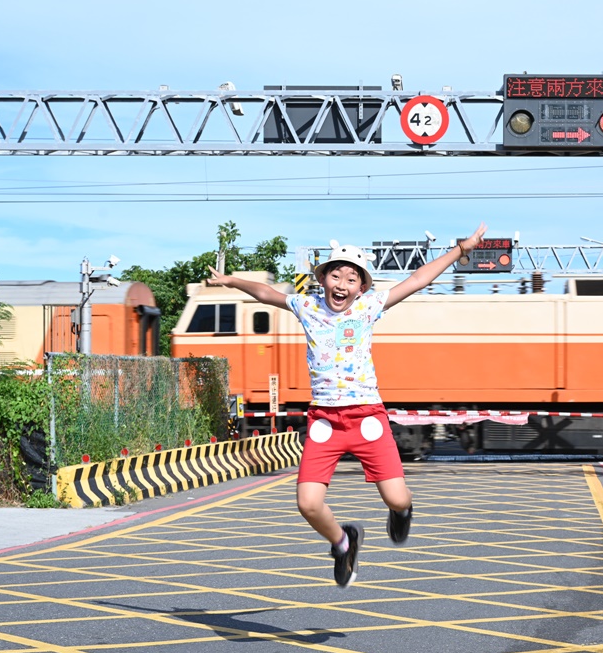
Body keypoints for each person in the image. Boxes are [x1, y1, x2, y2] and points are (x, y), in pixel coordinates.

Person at [205, 223, 487, 587]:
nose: (342, 284)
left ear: (362, 287)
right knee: (307, 503)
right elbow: (264, 292)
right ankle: (343, 542)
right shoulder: (306, 305)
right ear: (322, 279)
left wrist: (461, 249)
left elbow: (417, 279)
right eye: (335, 275)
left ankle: (401, 512)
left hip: (368, 416)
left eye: (351, 279)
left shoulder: (370, 307)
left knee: (397, 498)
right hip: (325, 419)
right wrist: (232, 281)